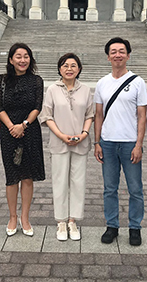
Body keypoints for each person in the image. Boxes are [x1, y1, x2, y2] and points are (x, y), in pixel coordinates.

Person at [94, 37, 147, 246]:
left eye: (121, 51)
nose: (118, 55)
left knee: (135, 188)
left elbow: (142, 115)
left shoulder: (137, 81)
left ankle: (135, 227)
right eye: (114, 51)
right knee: (110, 188)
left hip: (129, 143)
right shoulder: (102, 83)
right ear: (108, 57)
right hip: (107, 142)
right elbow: (98, 115)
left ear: (127, 55)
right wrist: (96, 142)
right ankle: (112, 225)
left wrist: (138, 144)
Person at [40, 53, 94, 241]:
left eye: (73, 65)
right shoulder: (52, 89)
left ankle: (73, 220)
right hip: (59, 142)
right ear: (59, 69)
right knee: (60, 181)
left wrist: (84, 134)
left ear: (79, 69)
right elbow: (47, 116)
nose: (69, 68)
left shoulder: (86, 90)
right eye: (65, 65)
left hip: (81, 142)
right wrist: (62, 136)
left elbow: (90, 114)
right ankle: (61, 221)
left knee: (78, 182)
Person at [0, 43, 45, 237]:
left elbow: (37, 107)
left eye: (26, 56)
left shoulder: (36, 81)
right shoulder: (2, 80)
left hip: (29, 130)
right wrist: (11, 127)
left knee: (28, 176)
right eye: (18, 56)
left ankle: (25, 217)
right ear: (11, 60)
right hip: (8, 132)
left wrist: (22, 125)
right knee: (12, 176)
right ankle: (12, 216)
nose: (22, 60)